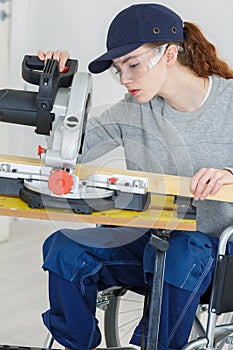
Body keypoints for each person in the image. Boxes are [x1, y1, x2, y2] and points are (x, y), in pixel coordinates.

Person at [38, 3, 233, 350]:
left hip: (220, 257)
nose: (125, 79)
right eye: (118, 70)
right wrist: (59, 88)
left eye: (133, 64)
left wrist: (229, 174)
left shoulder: (230, 103)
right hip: (154, 246)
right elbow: (71, 147)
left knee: (184, 248)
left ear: (170, 53)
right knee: (64, 248)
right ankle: (75, 343)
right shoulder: (134, 110)